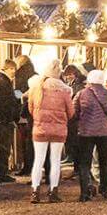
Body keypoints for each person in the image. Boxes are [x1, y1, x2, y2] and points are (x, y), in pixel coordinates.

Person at [27, 60, 74, 204]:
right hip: (59, 130)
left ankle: (35, 191)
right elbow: (71, 112)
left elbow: (30, 108)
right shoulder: (65, 90)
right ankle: (53, 191)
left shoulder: (36, 88)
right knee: (55, 161)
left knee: (38, 160)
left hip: (40, 129)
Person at [74, 69, 107, 200]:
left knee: (85, 162)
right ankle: (104, 189)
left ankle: (84, 193)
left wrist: (81, 121)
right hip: (105, 131)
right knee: (104, 160)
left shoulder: (81, 94)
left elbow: (74, 111)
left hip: (86, 132)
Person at [0, 59, 19, 183]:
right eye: (11, 69)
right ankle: (2, 173)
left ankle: (3, 172)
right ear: (5, 68)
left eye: (14, 69)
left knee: (4, 147)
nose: (13, 71)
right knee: (3, 147)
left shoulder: (2, 81)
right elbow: (4, 104)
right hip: (3, 121)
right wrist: (9, 119)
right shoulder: (2, 82)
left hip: (3, 120)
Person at [14, 53, 36, 175]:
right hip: (33, 113)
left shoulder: (19, 74)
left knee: (25, 141)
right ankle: (32, 166)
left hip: (22, 111)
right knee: (31, 142)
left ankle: (27, 166)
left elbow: (17, 91)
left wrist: (19, 97)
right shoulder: (35, 74)